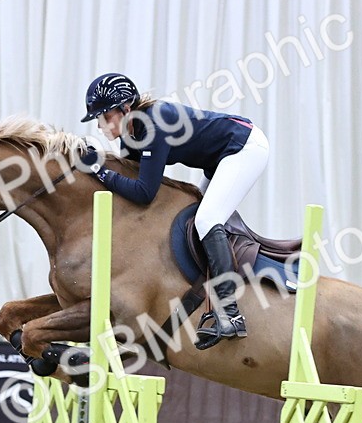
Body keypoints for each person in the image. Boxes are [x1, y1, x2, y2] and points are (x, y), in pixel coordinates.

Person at [78, 73, 270, 350]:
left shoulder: (154, 124)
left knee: (206, 219)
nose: (100, 125)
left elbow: (144, 193)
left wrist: (98, 169)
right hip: (220, 157)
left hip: (245, 148)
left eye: (104, 116)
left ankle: (230, 313)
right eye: (97, 119)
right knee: (196, 219)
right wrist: (97, 164)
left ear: (126, 109)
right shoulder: (133, 132)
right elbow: (125, 179)